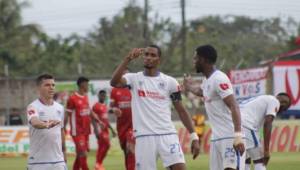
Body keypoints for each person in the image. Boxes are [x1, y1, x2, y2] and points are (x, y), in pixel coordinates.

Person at [110, 44, 200, 170]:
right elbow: (114, 82)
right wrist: (127, 59)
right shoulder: (134, 79)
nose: (148, 57)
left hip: (167, 134)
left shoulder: (170, 82)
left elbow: (181, 111)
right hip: (144, 137)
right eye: (146, 54)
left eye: (153, 55)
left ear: (159, 60)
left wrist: (194, 136)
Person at [183, 44, 245, 170]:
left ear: (203, 60)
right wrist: (188, 86)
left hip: (229, 136)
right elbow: (201, 92)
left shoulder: (219, 79)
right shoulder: (207, 80)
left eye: (195, 59)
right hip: (216, 138)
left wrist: (238, 134)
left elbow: (234, 105)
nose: (193, 62)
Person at [240, 93, 291, 170]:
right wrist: (266, 150)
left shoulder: (263, 98)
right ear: (284, 104)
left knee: (245, 159)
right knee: (260, 160)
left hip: (234, 124)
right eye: (285, 109)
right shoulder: (275, 101)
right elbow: (268, 123)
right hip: (245, 125)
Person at [26, 74, 66, 170]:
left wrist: (64, 156)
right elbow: (35, 122)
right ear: (39, 88)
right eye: (47, 85)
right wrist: (47, 124)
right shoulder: (32, 107)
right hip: (37, 162)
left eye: (53, 85)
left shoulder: (60, 108)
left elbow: (61, 131)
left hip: (58, 162)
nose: (51, 88)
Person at [110, 69, 135, 170]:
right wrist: (114, 109)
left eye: (127, 74)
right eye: (123, 74)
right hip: (121, 126)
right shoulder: (115, 90)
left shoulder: (134, 88)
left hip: (134, 126)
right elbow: (111, 107)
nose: (125, 76)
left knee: (131, 149)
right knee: (126, 151)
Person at [65, 77, 92, 170]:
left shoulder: (85, 97)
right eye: (87, 84)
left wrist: (98, 121)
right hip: (77, 132)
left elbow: (89, 112)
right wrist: (63, 128)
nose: (88, 86)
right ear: (81, 84)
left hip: (86, 131)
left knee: (81, 154)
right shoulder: (72, 98)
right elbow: (67, 114)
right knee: (82, 153)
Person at [92, 90, 116, 170]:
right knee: (107, 145)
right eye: (101, 95)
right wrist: (96, 131)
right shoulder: (95, 106)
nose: (103, 97)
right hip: (100, 130)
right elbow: (93, 118)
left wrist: (112, 130)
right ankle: (98, 163)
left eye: (104, 95)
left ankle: (98, 164)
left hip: (106, 130)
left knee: (102, 147)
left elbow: (106, 120)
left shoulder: (105, 106)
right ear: (98, 96)